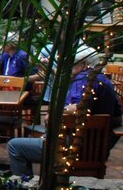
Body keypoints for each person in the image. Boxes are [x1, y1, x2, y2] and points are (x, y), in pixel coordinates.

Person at [7, 46, 122, 176]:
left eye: (74, 62)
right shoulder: (104, 80)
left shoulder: (83, 80)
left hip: (68, 150)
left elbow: (78, 107)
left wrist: (56, 113)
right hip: (96, 151)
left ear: (85, 64)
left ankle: (23, 189)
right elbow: (116, 114)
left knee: (14, 146)